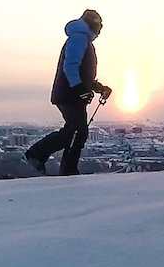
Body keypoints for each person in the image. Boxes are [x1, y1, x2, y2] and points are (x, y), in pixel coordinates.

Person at [27, 10, 112, 176]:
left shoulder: (82, 39)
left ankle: (65, 168)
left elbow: (82, 73)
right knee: (75, 130)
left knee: (78, 131)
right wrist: (79, 89)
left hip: (72, 93)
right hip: (70, 94)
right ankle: (38, 155)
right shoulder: (79, 38)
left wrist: (98, 88)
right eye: (99, 26)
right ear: (93, 24)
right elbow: (71, 66)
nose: (100, 30)